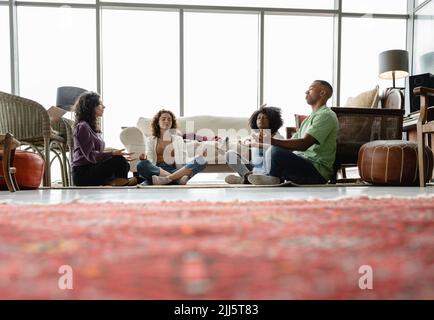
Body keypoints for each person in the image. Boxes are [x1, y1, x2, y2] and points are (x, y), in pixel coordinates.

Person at [247, 80, 338, 185]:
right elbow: (291, 143)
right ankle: (266, 177)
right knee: (272, 151)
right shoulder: (309, 119)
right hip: (302, 164)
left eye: (311, 89)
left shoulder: (326, 115)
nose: (306, 92)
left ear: (322, 93)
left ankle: (271, 178)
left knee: (274, 151)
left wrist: (272, 141)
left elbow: (304, 144)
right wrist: (264, 143)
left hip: (316, 171)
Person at [71, 92, 137, 186]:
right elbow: (91, 156)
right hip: (83, 174)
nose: (104, 107)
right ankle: (120, 183)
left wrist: (114, 153)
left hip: (92, 168)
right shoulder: (83, 127)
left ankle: (116, 182)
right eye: (101, 104)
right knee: (119, 161)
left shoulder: (91, 128)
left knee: (125, 164)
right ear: (91, 107)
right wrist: (112, 154)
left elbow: (97, 153)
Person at [136, 109, 207, 185]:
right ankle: (177, 179)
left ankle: (167, 179)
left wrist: (198, 157)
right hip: (156, 170)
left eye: (169, 119)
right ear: (157, 122)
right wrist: (144, 159)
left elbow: (184, 159)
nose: (166, 121)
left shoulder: (178, 139)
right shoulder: (150, 140)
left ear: (172, 123)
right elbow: (150, 159)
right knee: (141, 164)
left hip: (175, 170)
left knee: (202, 160)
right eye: (163, 119)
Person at [224, 105, 284, 184]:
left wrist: (255, 144)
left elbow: (275, 149)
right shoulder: (255, 135)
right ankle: (247, 177)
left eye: (265, 118)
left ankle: (245, 180)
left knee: (272, 151)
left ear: (272, 120)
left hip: (269, 172)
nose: (261, 120)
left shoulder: (278, 137)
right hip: (254, 169)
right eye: (258, 118)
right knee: (229, 154)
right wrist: (247, 142)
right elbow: (244, 141)